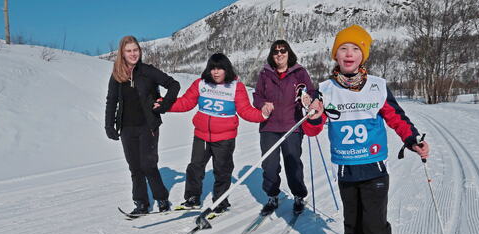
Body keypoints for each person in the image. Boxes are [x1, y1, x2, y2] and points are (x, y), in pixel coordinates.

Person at [302, 25, 430, 234]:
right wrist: (314, 115)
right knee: (352, 226)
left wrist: (412, 139)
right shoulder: (324, 90)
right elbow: (311, 129)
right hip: (346, 170)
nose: (349, 54)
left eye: (355, 49)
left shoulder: (377, 86)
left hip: (374, 170)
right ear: (335, 56)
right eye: (343, 49)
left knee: (375, 227)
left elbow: (396, 117)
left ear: (363, 56)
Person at [161, 53, 273, 214]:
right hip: (201, 135)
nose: (216, 72)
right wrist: (164, 105)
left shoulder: (236, 87)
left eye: (219, 68)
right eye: (212, 68)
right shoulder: (201, 84)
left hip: (225, 138)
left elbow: (245, 111)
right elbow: (185, 102)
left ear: (226, 69)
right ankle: (192, 198)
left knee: (222, 170)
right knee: (195, 167)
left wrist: (263, 115)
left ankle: (220, 201)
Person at [105, 35, 180, 215]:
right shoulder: (117, 75)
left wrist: (164, 104)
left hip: (148, 125)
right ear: (122, 53)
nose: (133, 54)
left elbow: (173, 85)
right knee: (135, 167)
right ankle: (141, 204)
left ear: (140, 51)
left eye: (135, 50)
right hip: (126, 128)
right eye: (129, 51)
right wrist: (109, 125)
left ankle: (161, 199)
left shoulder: (148, 71)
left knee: (148, 165)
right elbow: (111, 100)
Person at [253, 39, 322, 215]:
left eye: (283, 50)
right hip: (270, 126)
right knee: (270, 165)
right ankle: (272, 196)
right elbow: (257, 96)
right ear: (272, 55)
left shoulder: (299, 72)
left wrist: (310, 100)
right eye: (276, 51)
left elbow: (312, 92)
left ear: (288, 53)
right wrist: (263, 104)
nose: (279, 54)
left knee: (293, 163)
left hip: (293, 125)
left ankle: (299, 195)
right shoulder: (265, 73)